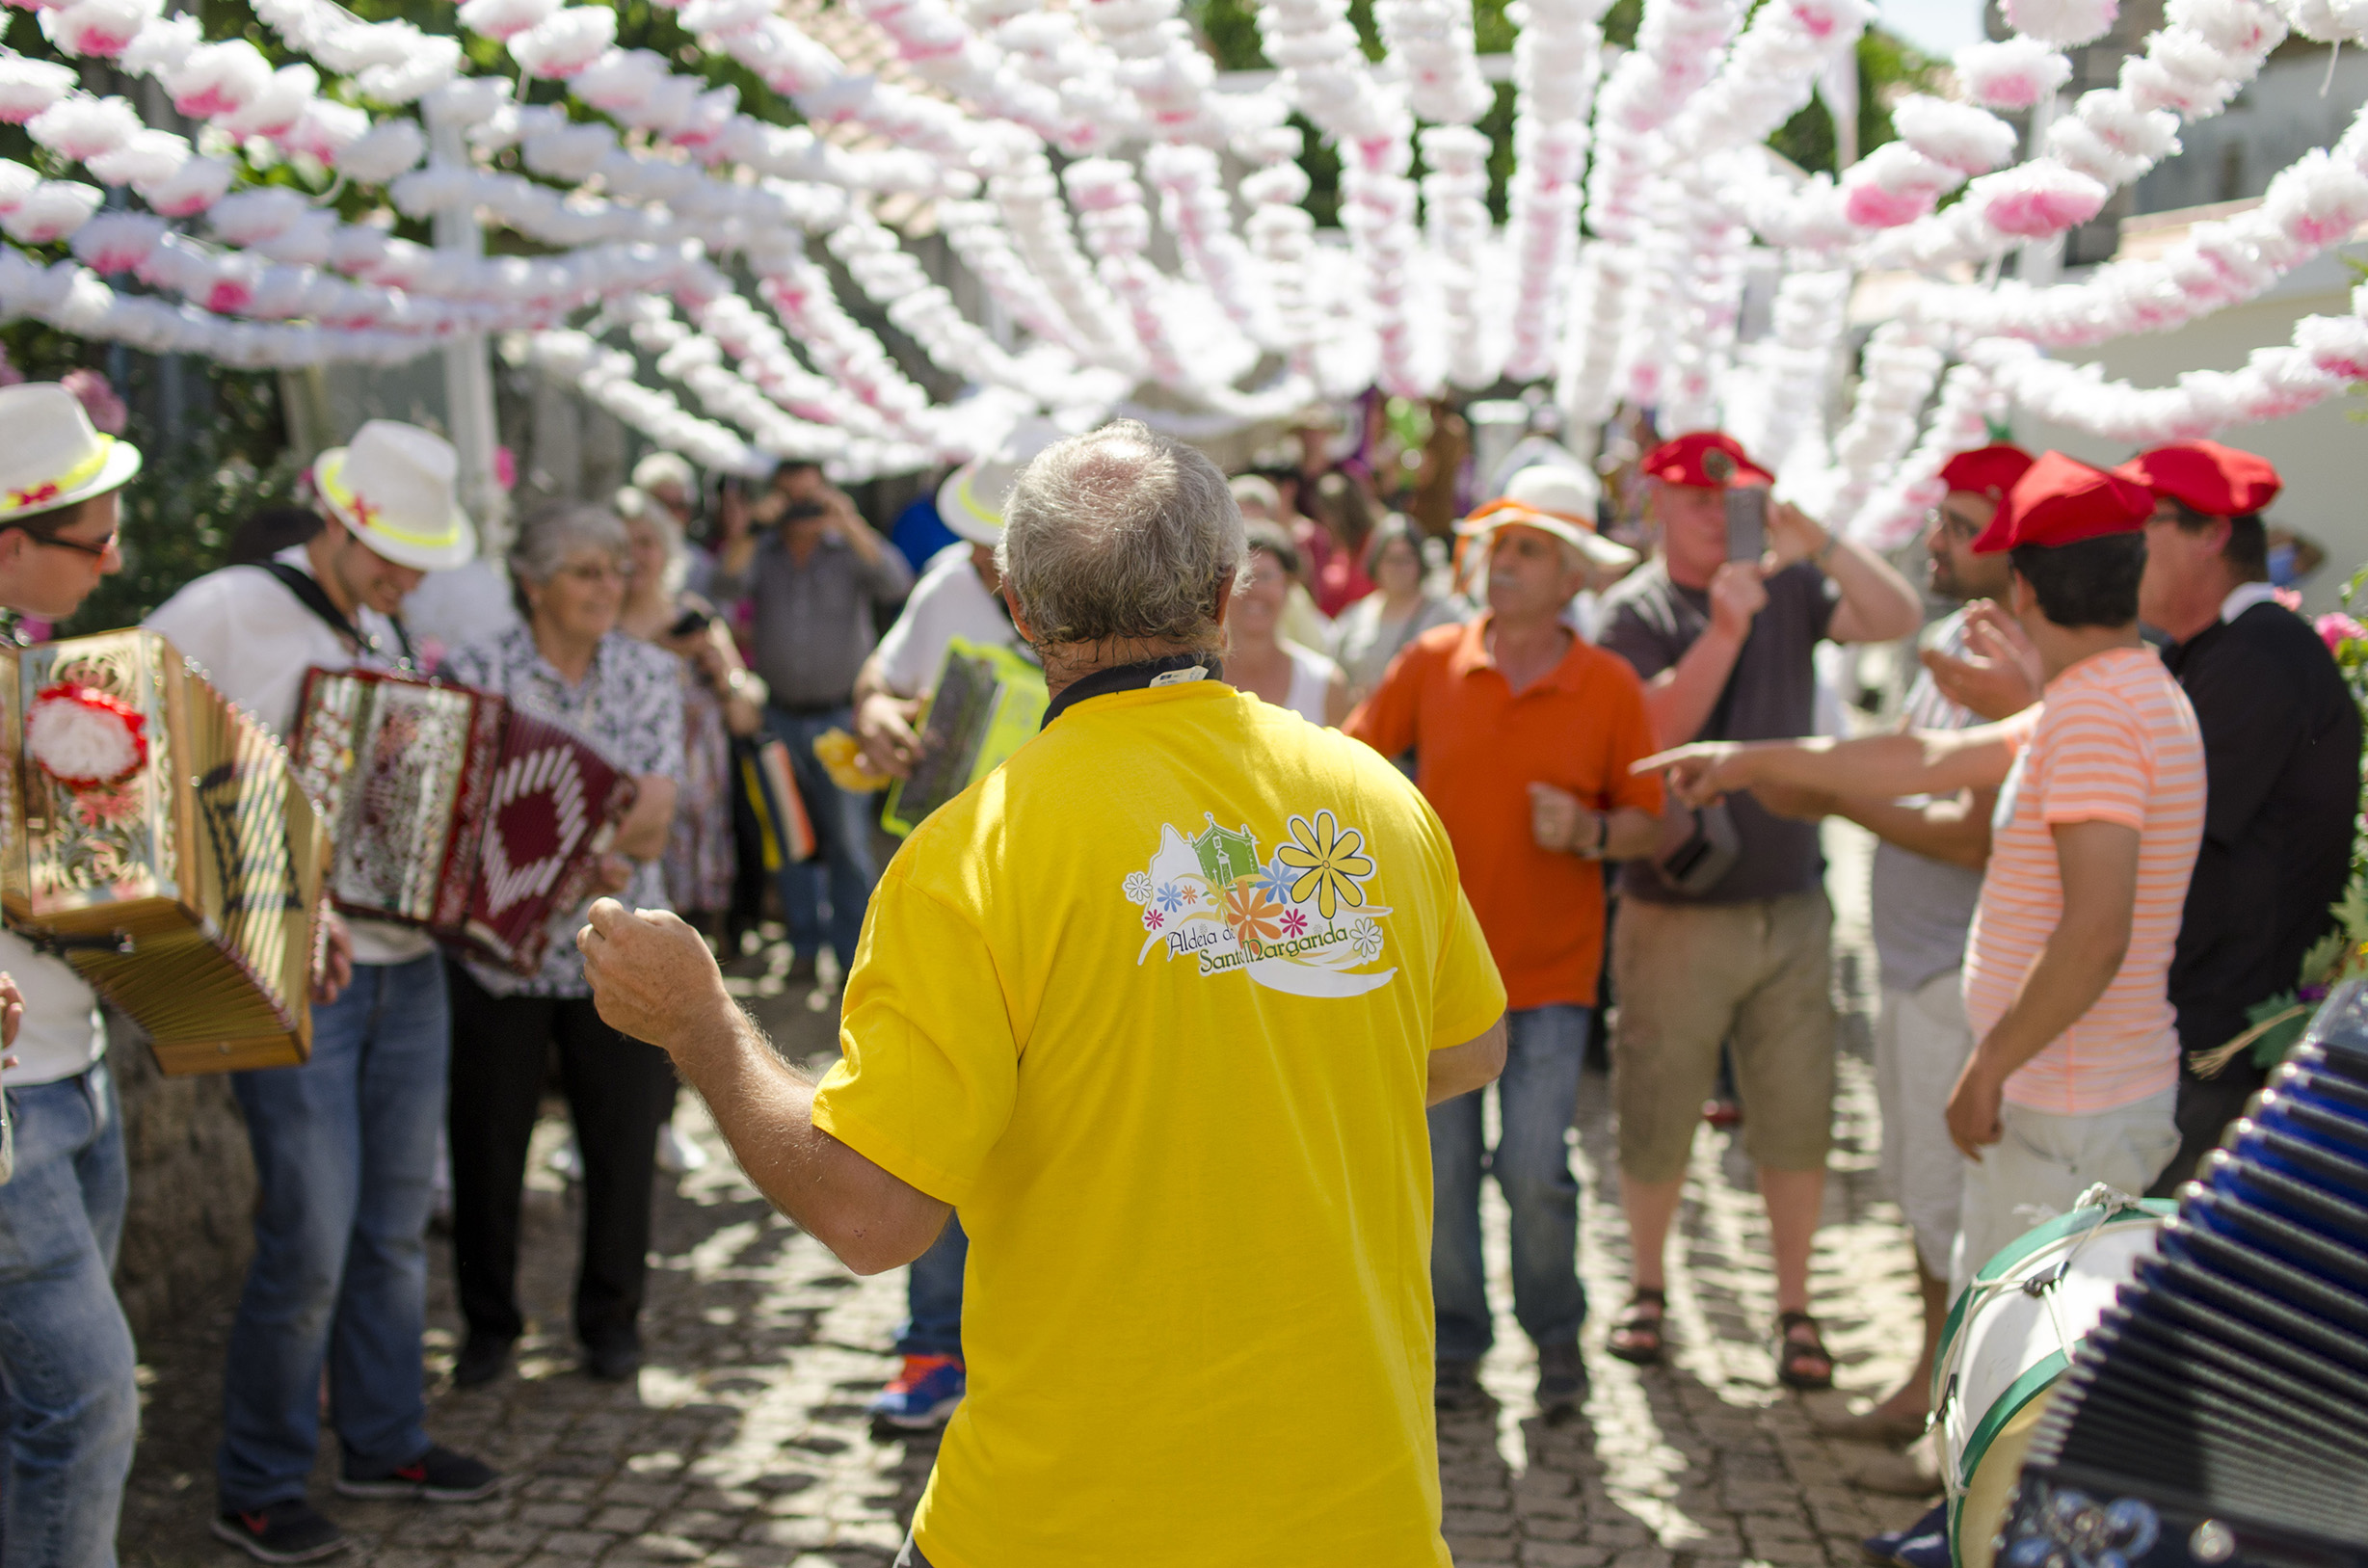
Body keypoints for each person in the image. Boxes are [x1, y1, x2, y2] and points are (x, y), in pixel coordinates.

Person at [577, 418, 1508, 1568]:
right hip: (1360, 1513)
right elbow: (1469, 1050)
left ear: (1018, 608)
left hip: (1066, 1522)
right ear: (1228, 593)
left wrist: (703, 1024)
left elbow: (872, 1214)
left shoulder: (977, 852)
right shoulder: (1373, 798)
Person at [1644, 451, 2203, 1289]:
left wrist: (1988, 1065)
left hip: (2067, 1102)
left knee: (2027, 1385)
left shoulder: (2092, 711)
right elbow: (1930, 756)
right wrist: (1749, 759)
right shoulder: (2111, 690)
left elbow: (2094, 934)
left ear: (2023, 584)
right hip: (2070, 1094)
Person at [146, 420, 500, 1565]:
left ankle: (383, 1437)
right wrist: (261, 891)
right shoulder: (223, 608)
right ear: (336, 520)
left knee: (393, 1229)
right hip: (290, 972)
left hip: (407, 972)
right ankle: (252, 1483)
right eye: (389, 550)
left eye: (417, 557)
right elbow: (117, 745)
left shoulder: (384, 618)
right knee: (307, 1235)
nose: (405, 576)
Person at [1594, 431, 1923, 1386]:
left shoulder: (1788, 585)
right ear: (1655, 500)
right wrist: (1725, 629)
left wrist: (1819, 542)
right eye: (1694, 498)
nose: (1712, 513)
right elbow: (1652, 732)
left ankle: (1794, 1305)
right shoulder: (1636, 609)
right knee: (1657, 1104)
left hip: (1790, 897)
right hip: (1675, 907)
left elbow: (1894, 613)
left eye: (1728, 497)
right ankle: (1648, 1288)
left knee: (1796, 1109)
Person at [1344, 481, 1661, 1415]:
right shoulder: (1431, 661)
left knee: (1533, 1168)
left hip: (1553, 977)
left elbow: (1649, 823)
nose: (1505, 564)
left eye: (1528, 549)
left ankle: (1556, 1335)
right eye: (1498, 547)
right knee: (1439, 1179)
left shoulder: (1609, 685)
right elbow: (1348, 761)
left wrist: (1593, 834)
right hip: (1434, 980)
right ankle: (1455, 1347)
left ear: (1571, 575)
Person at [1775, 444, 2032, 1449]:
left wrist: (1831, 795)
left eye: (1962, 525)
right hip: (1919, 968)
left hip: (1952, 977)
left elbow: (1971, 830)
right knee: (1925, 1203)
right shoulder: (1965, 633)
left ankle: (1953, 1433)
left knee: (1950, 1209)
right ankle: (1933, 1397)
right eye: (1942, 519)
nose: (1937, 539)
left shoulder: (2011, 660)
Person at [439, 504, 683, 1392]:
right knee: (488, 1148)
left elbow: (652, 825)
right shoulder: (476, 673)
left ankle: (611, 1322)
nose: (607, 586)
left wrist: (553, 835)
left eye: (616, 569)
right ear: (534, 583)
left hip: (617, 946)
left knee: (621, 1146)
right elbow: (463, 816)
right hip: (497, 955)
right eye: (585, 571)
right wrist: (592, 831)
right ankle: (488, 1325)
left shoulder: (651, 673)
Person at [844, 422, 1056, 1430]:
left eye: (998, 539)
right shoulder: (944, 583)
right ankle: (931, 1348)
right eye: (975, 536)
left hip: (1061, 898)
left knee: (1050, 1137)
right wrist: (881, 714)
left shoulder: (1095, 595)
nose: (981, 557)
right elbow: (877, 684)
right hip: (948, 890)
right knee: (930, 1121)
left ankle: (1036, 1357)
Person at [2115, 440, 2361, 1186]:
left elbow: (2155, 830)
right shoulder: (2214, 650)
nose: (2123, 548)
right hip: (2195, 1034)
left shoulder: (2257, 655)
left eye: (2141, 524)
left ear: (2212, 533)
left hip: (2213, 1049)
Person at [0, 383, 139, 1568]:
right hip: (10, 1107)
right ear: (11, 544)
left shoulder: (25, 661)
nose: (113, 562)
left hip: (76, 1071)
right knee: (91, 1403)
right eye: (93, 541)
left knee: (36, 1409)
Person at [617, 487, 767, 1178]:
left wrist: (721, 668)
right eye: (623, 545)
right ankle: (614, 1112)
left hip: (695, 818)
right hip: (628, 817)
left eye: (647, 542)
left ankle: (663, 1114)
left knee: (683, 963)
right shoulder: (600, 628)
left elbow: (743, 716)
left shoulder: (697, 616)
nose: (635, 558)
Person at [710, 478, 913, 983]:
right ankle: (803, 949)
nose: (801, 507)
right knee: (789, 838)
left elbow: (896, 583)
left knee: (847, 841)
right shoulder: (764, 551)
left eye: (811, 495)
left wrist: (846, 519)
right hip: (778, 717)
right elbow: (722, 588)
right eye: (791, 495)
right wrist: (755, 525)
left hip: (840, 718)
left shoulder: (847, 550)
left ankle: (853, 959)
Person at [1329, 515, 1462, 705]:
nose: (1397, 568)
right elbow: (1335, 672)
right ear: (1377, 562)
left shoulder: (1446, 614)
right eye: (1390, 559)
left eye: (1405, 559)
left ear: (1420, 562)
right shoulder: (1356, 615)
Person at [1230, 522, 1349, 726]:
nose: (1255, 589)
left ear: (1288, 588)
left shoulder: (1325, 683)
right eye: (1245, 577)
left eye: (1267, 577)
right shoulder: (1195, 679)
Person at [631, 451, 711, 596]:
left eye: (680, 505)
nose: (670, 515)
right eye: (662, 504)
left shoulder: (700, 565)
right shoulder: (622, 557)